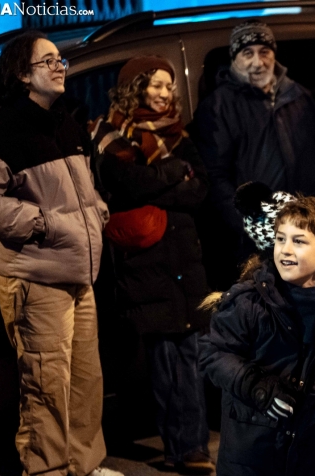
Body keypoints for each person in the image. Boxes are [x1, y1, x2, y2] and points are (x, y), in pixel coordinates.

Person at [0, 31, 120, 476]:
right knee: (47, 387)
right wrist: (42, 223)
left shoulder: (64, 121)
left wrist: (97, 210)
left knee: (85, 383)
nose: (59, 66)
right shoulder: (6, 129)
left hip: (77, 276)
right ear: (21, 74)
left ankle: (84, 468)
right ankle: (47, 471)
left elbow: (79, 190)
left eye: (59, 60)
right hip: (36, 281)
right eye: (46, 60)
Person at [199, 194, 315, 476]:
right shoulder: (249, 301)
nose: (285, 250)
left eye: (299, 241)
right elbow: (215, 354)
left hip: (311, 444)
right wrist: (259, 387)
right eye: (280, 239)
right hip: (252, 450)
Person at [89, 56, 214, 472]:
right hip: (145, 264)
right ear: (135, 86)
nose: (164, 93)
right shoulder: (111, 136)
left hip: (184, 259)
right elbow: (124, 186)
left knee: (190, 359)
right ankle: (179, 448)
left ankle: (195, 449)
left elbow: (199, 191)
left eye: (168, 86)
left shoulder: (180, 135)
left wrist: (164, 185)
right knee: (164, 362)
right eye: (156, 85)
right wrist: (173, 176)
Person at [191, 20, 315, 290]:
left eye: (264, 52)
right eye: (248, 53)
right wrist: (250, 225)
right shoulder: (219, 105)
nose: (258, 62)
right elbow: (214, 175)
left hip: (307, 229)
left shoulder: (298, 96)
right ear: (235, 59)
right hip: (254, 241)